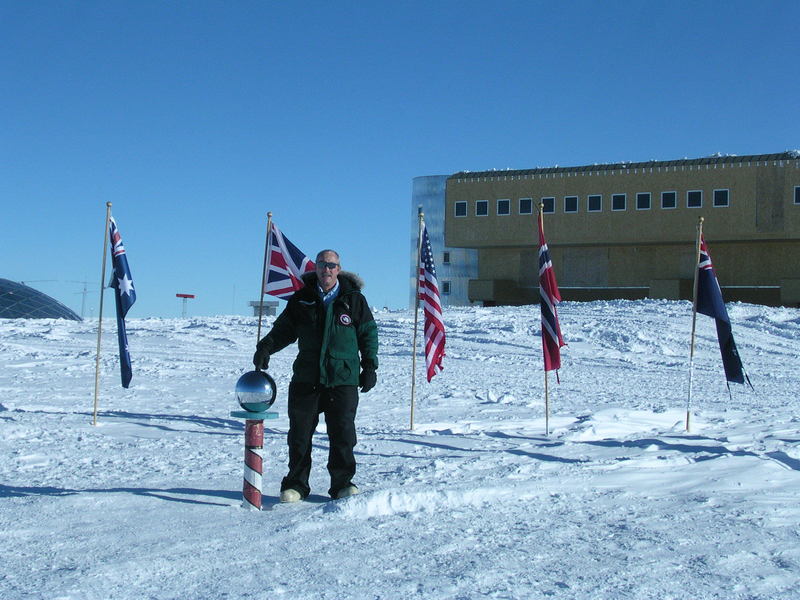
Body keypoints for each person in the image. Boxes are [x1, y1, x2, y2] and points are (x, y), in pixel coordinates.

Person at [253, 249, 378, 502]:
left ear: (339, 269)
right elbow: (284, 330)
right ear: (316, 267)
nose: (327, 269)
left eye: (332, 265)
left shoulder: (353, 299)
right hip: (307, 378)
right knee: (299, 435)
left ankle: (342, 484)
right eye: (322, 264)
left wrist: (370, 366)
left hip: (342, 378)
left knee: (343, 434)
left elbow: (368, 333)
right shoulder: (302, 298)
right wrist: (265, 347)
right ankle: (296, 485)